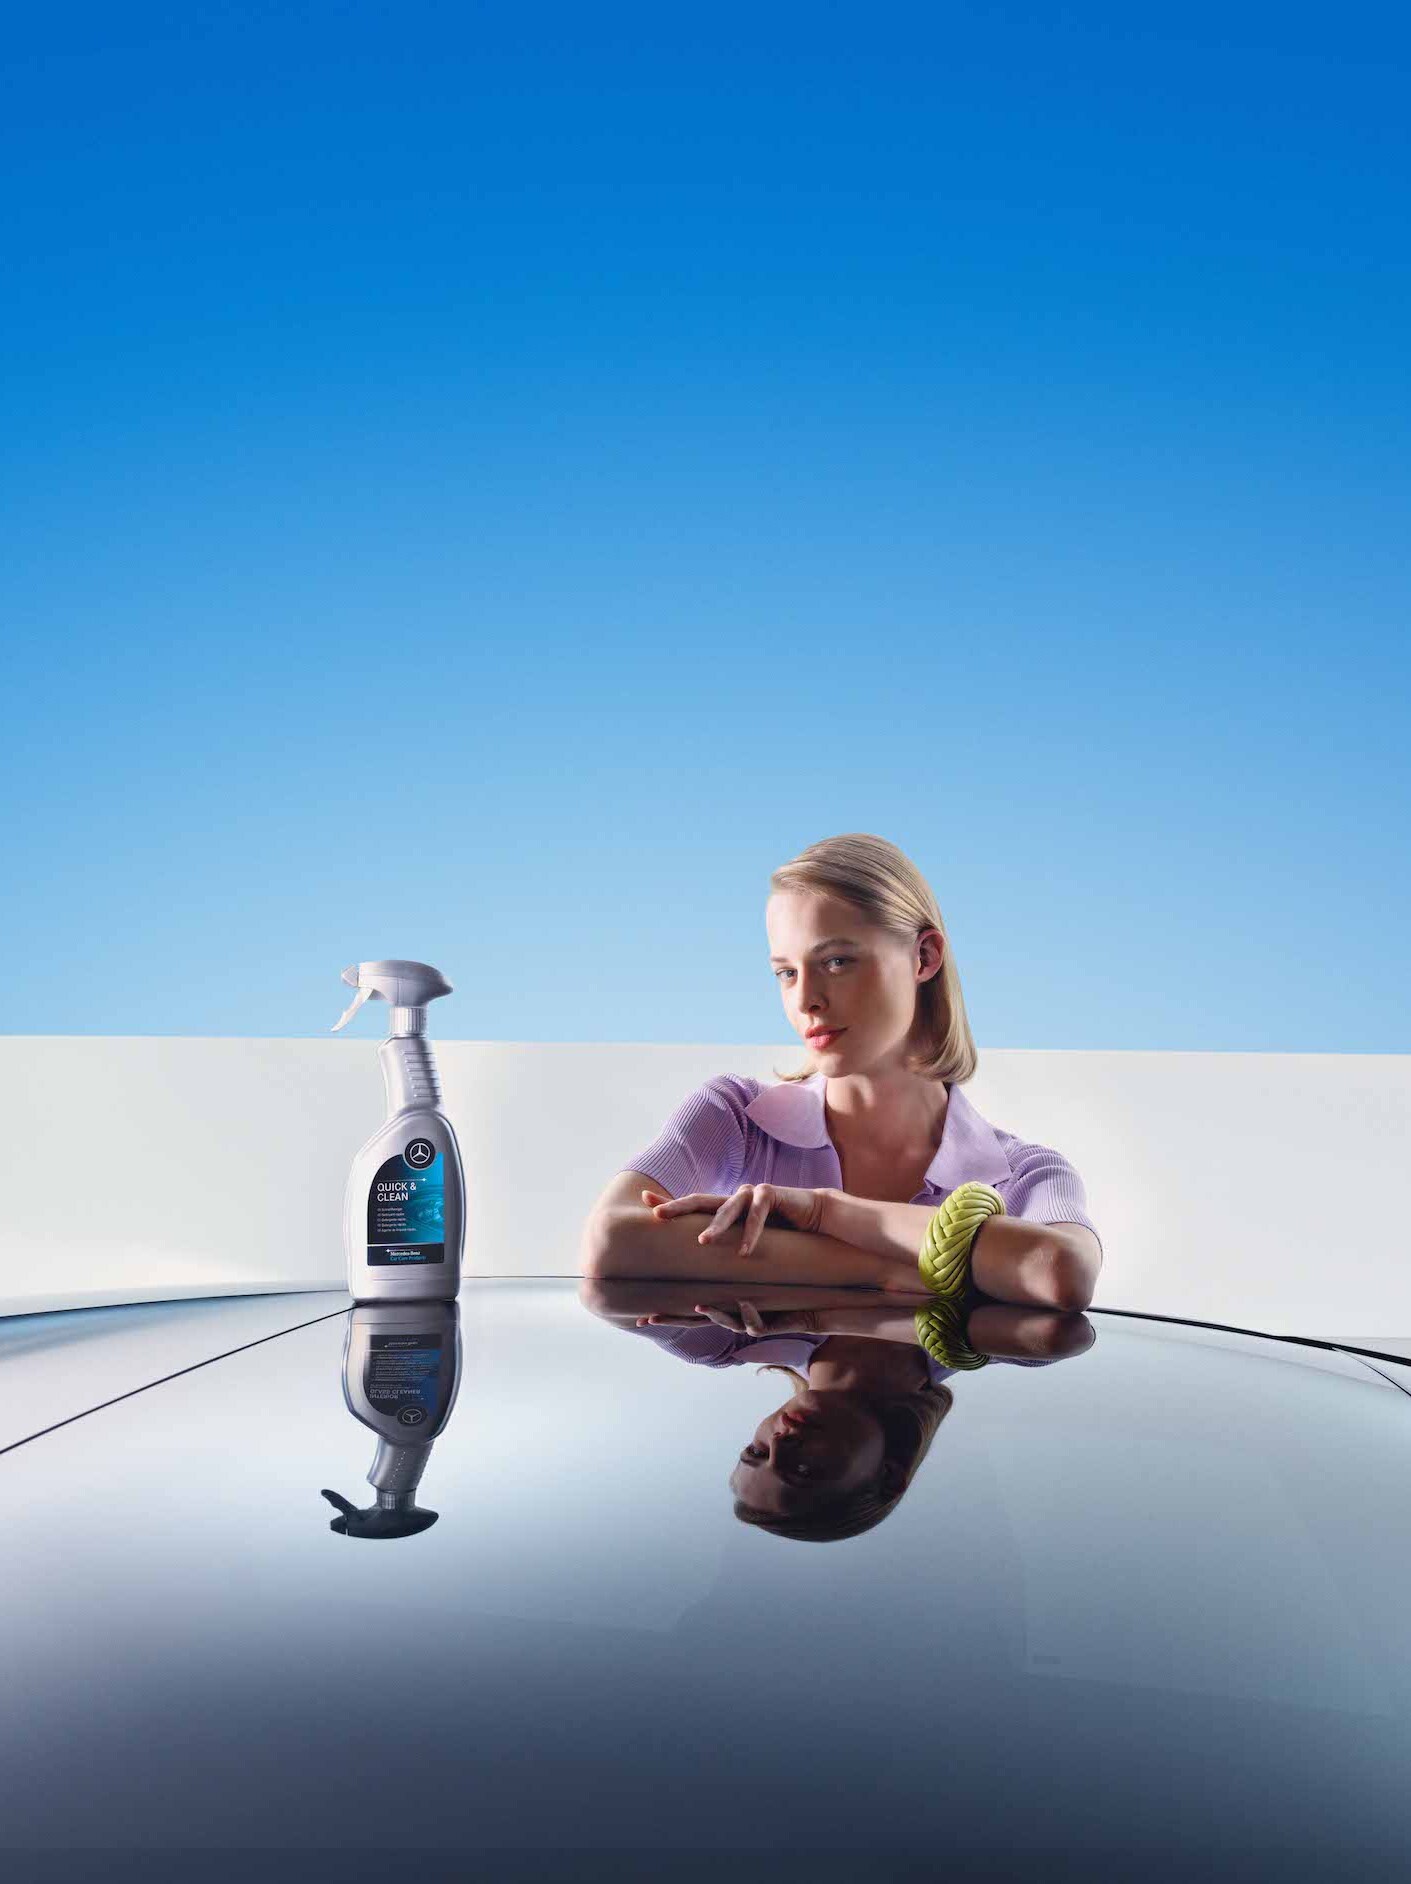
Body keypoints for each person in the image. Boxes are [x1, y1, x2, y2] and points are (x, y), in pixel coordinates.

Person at [579, 832, 1104, 1311]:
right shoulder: (734, 1117)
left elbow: (1063, 1272)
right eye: (786, 973)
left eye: (836, 962)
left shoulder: (1026, 1174)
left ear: (923, 957)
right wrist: (888, 1269)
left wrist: (825, 1214)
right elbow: (612, 1240)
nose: (805, 1000)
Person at [581, 1278, 1094, 1543]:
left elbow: (605, 1292)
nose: (781, 1441)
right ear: (889, 1475)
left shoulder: (718, 1339)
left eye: (755, 1450)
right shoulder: (1007, 1342)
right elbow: (1063, 1324)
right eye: (804, 1470)